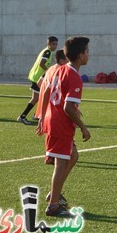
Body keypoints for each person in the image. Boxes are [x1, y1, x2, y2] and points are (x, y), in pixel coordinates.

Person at [35, 36, 91, 217]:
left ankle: (55, 193)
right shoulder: (75, 77)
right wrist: (83, 127)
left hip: (53, 119)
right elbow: (67, 106)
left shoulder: (58, 70)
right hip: (61, 123)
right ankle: (53, 206)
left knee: (73, 156)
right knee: (62, 163)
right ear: (81, 55)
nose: (89, 55)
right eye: (87, 51)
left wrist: (42, 116)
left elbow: (46, 89)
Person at [17, 36, 58, 125]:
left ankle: (36, 115)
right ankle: (23, 116)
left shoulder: (46, 51)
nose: (55, 46)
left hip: (37, 77)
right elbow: (41, 63)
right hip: (38, 78)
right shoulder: (47, 52)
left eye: (56, 44)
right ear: (48, 44)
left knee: (40, 97)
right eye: (53, 44)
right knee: (37, 98)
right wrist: (49, 71)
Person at [34, 49, 68, 125]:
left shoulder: (51, 68)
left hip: (45, 109)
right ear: (62, 61)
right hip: (53, 109)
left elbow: (39, 82)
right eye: (68, 58)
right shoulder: (60, 71)